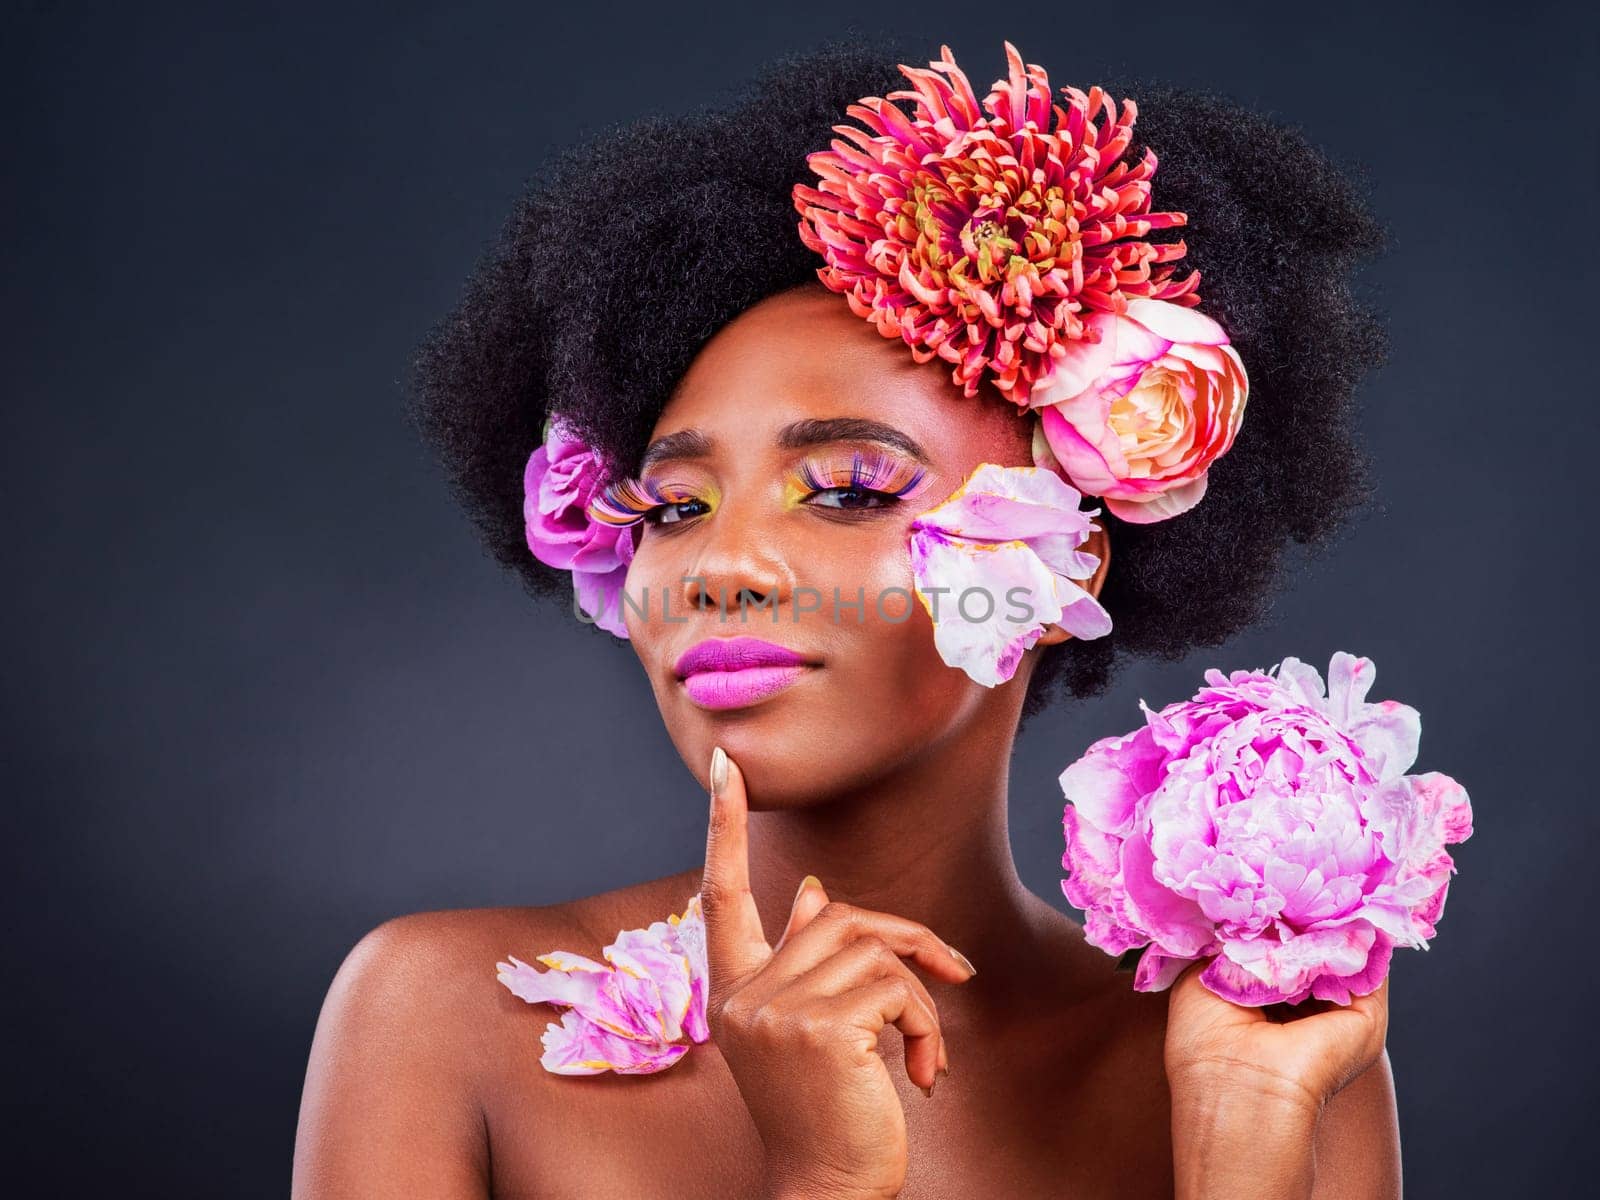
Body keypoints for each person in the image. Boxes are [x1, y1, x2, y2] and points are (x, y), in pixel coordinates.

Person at [293, 38, 1399, 1199]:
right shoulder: (443, 1016)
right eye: (672, 507)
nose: (722, 565)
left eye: (851, 490)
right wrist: (822, 1180)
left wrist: (1241, 1151)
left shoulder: (1268, 1054)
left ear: (1065, 561)